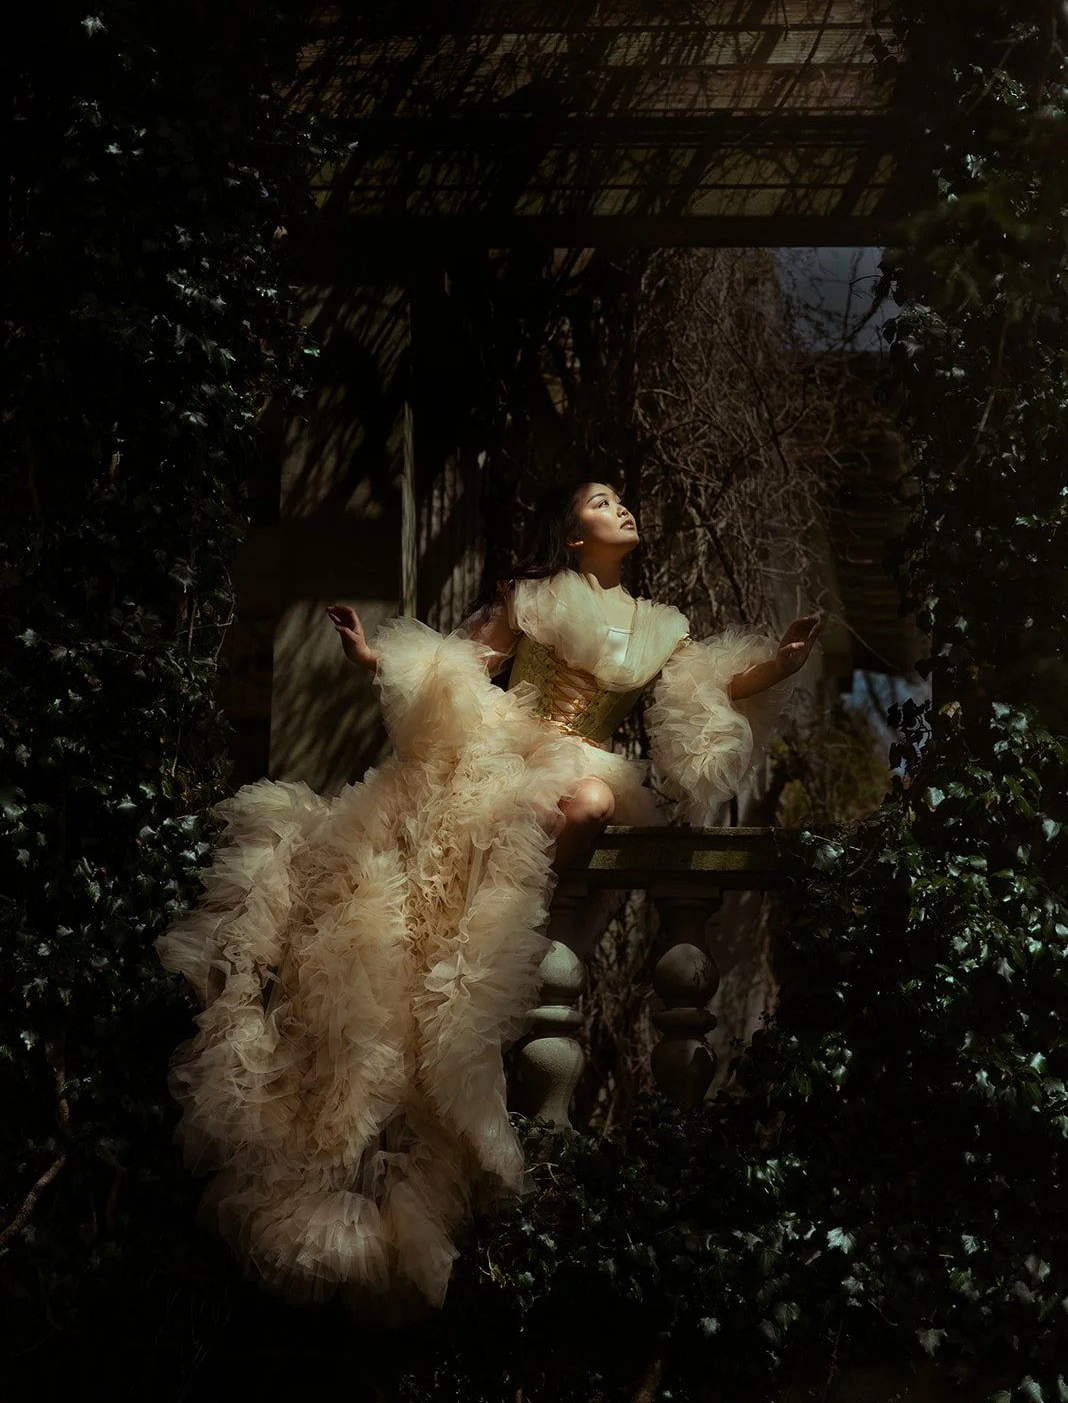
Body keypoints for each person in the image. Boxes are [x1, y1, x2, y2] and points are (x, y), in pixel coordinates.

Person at [157, 479, 820, 1314]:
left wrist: (781, 663)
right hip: (508, 749)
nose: (619, 507)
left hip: (589, 766)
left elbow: (708, 688)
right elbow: (461, 663)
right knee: (490, 832)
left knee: (594, 800)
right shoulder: (532, 597)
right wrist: (373, 660)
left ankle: (507, 920)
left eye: (621, 500)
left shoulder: (663, 626)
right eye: (599, 501)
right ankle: (477, 928)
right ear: (572, 535)